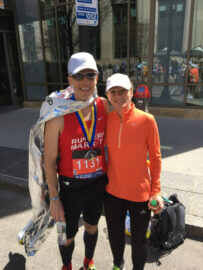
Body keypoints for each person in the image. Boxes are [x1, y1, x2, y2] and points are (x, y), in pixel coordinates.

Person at [44, 52, 108, 270]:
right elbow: (49, 161)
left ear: (97, 79)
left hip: (97, 183)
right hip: (70, 188)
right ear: (70, 79)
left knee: (92, 227)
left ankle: (88, 262)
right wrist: (54, 198)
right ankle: (67, 266)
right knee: (66, 235)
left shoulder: (104, 106)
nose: (85, 82)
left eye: (90, 75)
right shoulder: (58, 114)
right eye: (79, 76)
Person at [104, 73, 163, 270]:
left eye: (123, 91)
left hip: (139, 193)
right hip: (112, 191)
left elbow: (155, 157)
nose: (118, 96)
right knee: (115, 235)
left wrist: (155, 191)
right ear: (107, 95)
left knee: (139, 241)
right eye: (113, 92)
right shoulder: (107, 120)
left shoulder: (147, 120)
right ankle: (117, 264)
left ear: (131, 93)